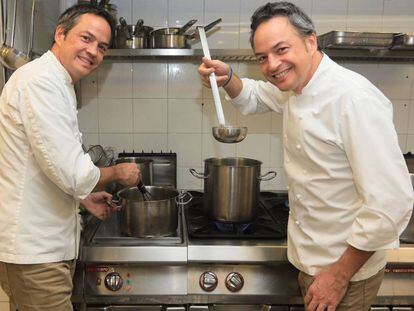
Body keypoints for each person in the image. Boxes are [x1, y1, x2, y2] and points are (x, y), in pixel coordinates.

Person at [198, 2, 413, 310]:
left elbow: (391, 202)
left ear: (311, 41)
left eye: (281, 49)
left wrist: (338, 277)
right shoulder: (296, 86)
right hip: (312, 262)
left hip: (345, 274)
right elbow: (256, 95)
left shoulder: (353, 99)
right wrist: (227, 76)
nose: (272, 65)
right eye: (262, 57)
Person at [0, 3, 140, 311]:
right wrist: (116, 173)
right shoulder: (41, 83)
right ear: (60, 34)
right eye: (86, 38)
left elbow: (45, 167)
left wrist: (82, 199)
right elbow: (74, 173)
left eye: (102, 47)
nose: (93, 51)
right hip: (35, 255)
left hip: (41, 252)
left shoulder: (56, 82)